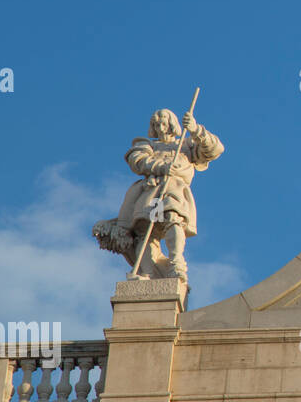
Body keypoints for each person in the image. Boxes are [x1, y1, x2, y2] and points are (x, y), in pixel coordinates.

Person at [93, 108, 224, 280]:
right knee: (147, 229)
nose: (160, 127)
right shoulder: (148, 145)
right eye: (156, 124)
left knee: (172, 218)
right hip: (152, 192)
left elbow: (214, 150)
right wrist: (161, 167)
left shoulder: (186, 146)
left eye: (163, 123)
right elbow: (137, 161)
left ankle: (176, 263)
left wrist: (195, 129)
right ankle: (148, 272)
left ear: (171, 124)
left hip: (173, 190)